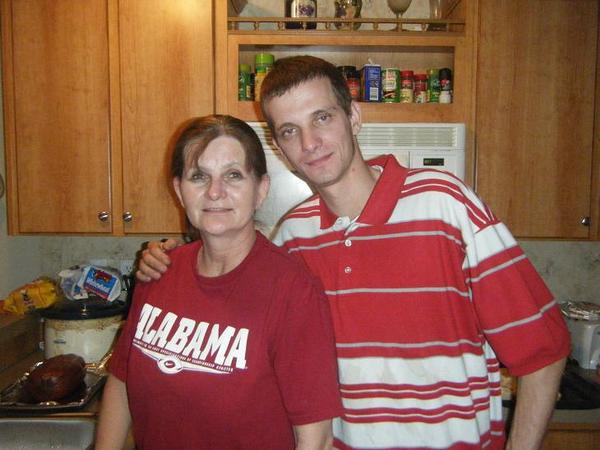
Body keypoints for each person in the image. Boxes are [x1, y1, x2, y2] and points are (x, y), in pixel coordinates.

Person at [136, 57, 570, 450]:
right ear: (280, 149)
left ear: (354, 117)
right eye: (290, 131)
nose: (310, 142)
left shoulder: (446, 205)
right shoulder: (294, 236)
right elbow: (226, 281)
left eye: (322, 118)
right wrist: (170, 259)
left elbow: (544, 353)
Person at [95, 115, 342, 450]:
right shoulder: (160, 272)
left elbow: (316, 440)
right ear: (179, 190)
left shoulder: (293, 292)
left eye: (233, 175)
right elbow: (122, 380)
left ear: (261, 190)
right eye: (199, 176)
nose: (214, 192)